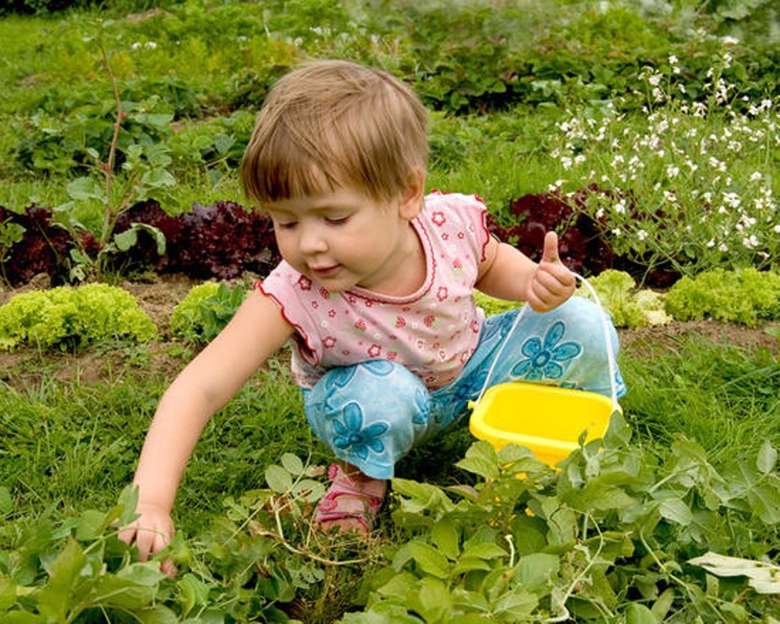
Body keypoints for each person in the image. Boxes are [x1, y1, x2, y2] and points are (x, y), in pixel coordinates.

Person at [119, 59, 626, 568]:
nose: (311, 244)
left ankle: (578, 436)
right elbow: (198, 387)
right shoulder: (295, 294)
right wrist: (152, 503)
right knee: (381, 393)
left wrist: (532, 284)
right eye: (287, 222)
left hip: (474, 370)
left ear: (406, 194)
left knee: (581, 324)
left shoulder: (447, 225)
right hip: (374, 397)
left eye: (335, 218)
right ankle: (362, 476)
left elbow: (490, 262)